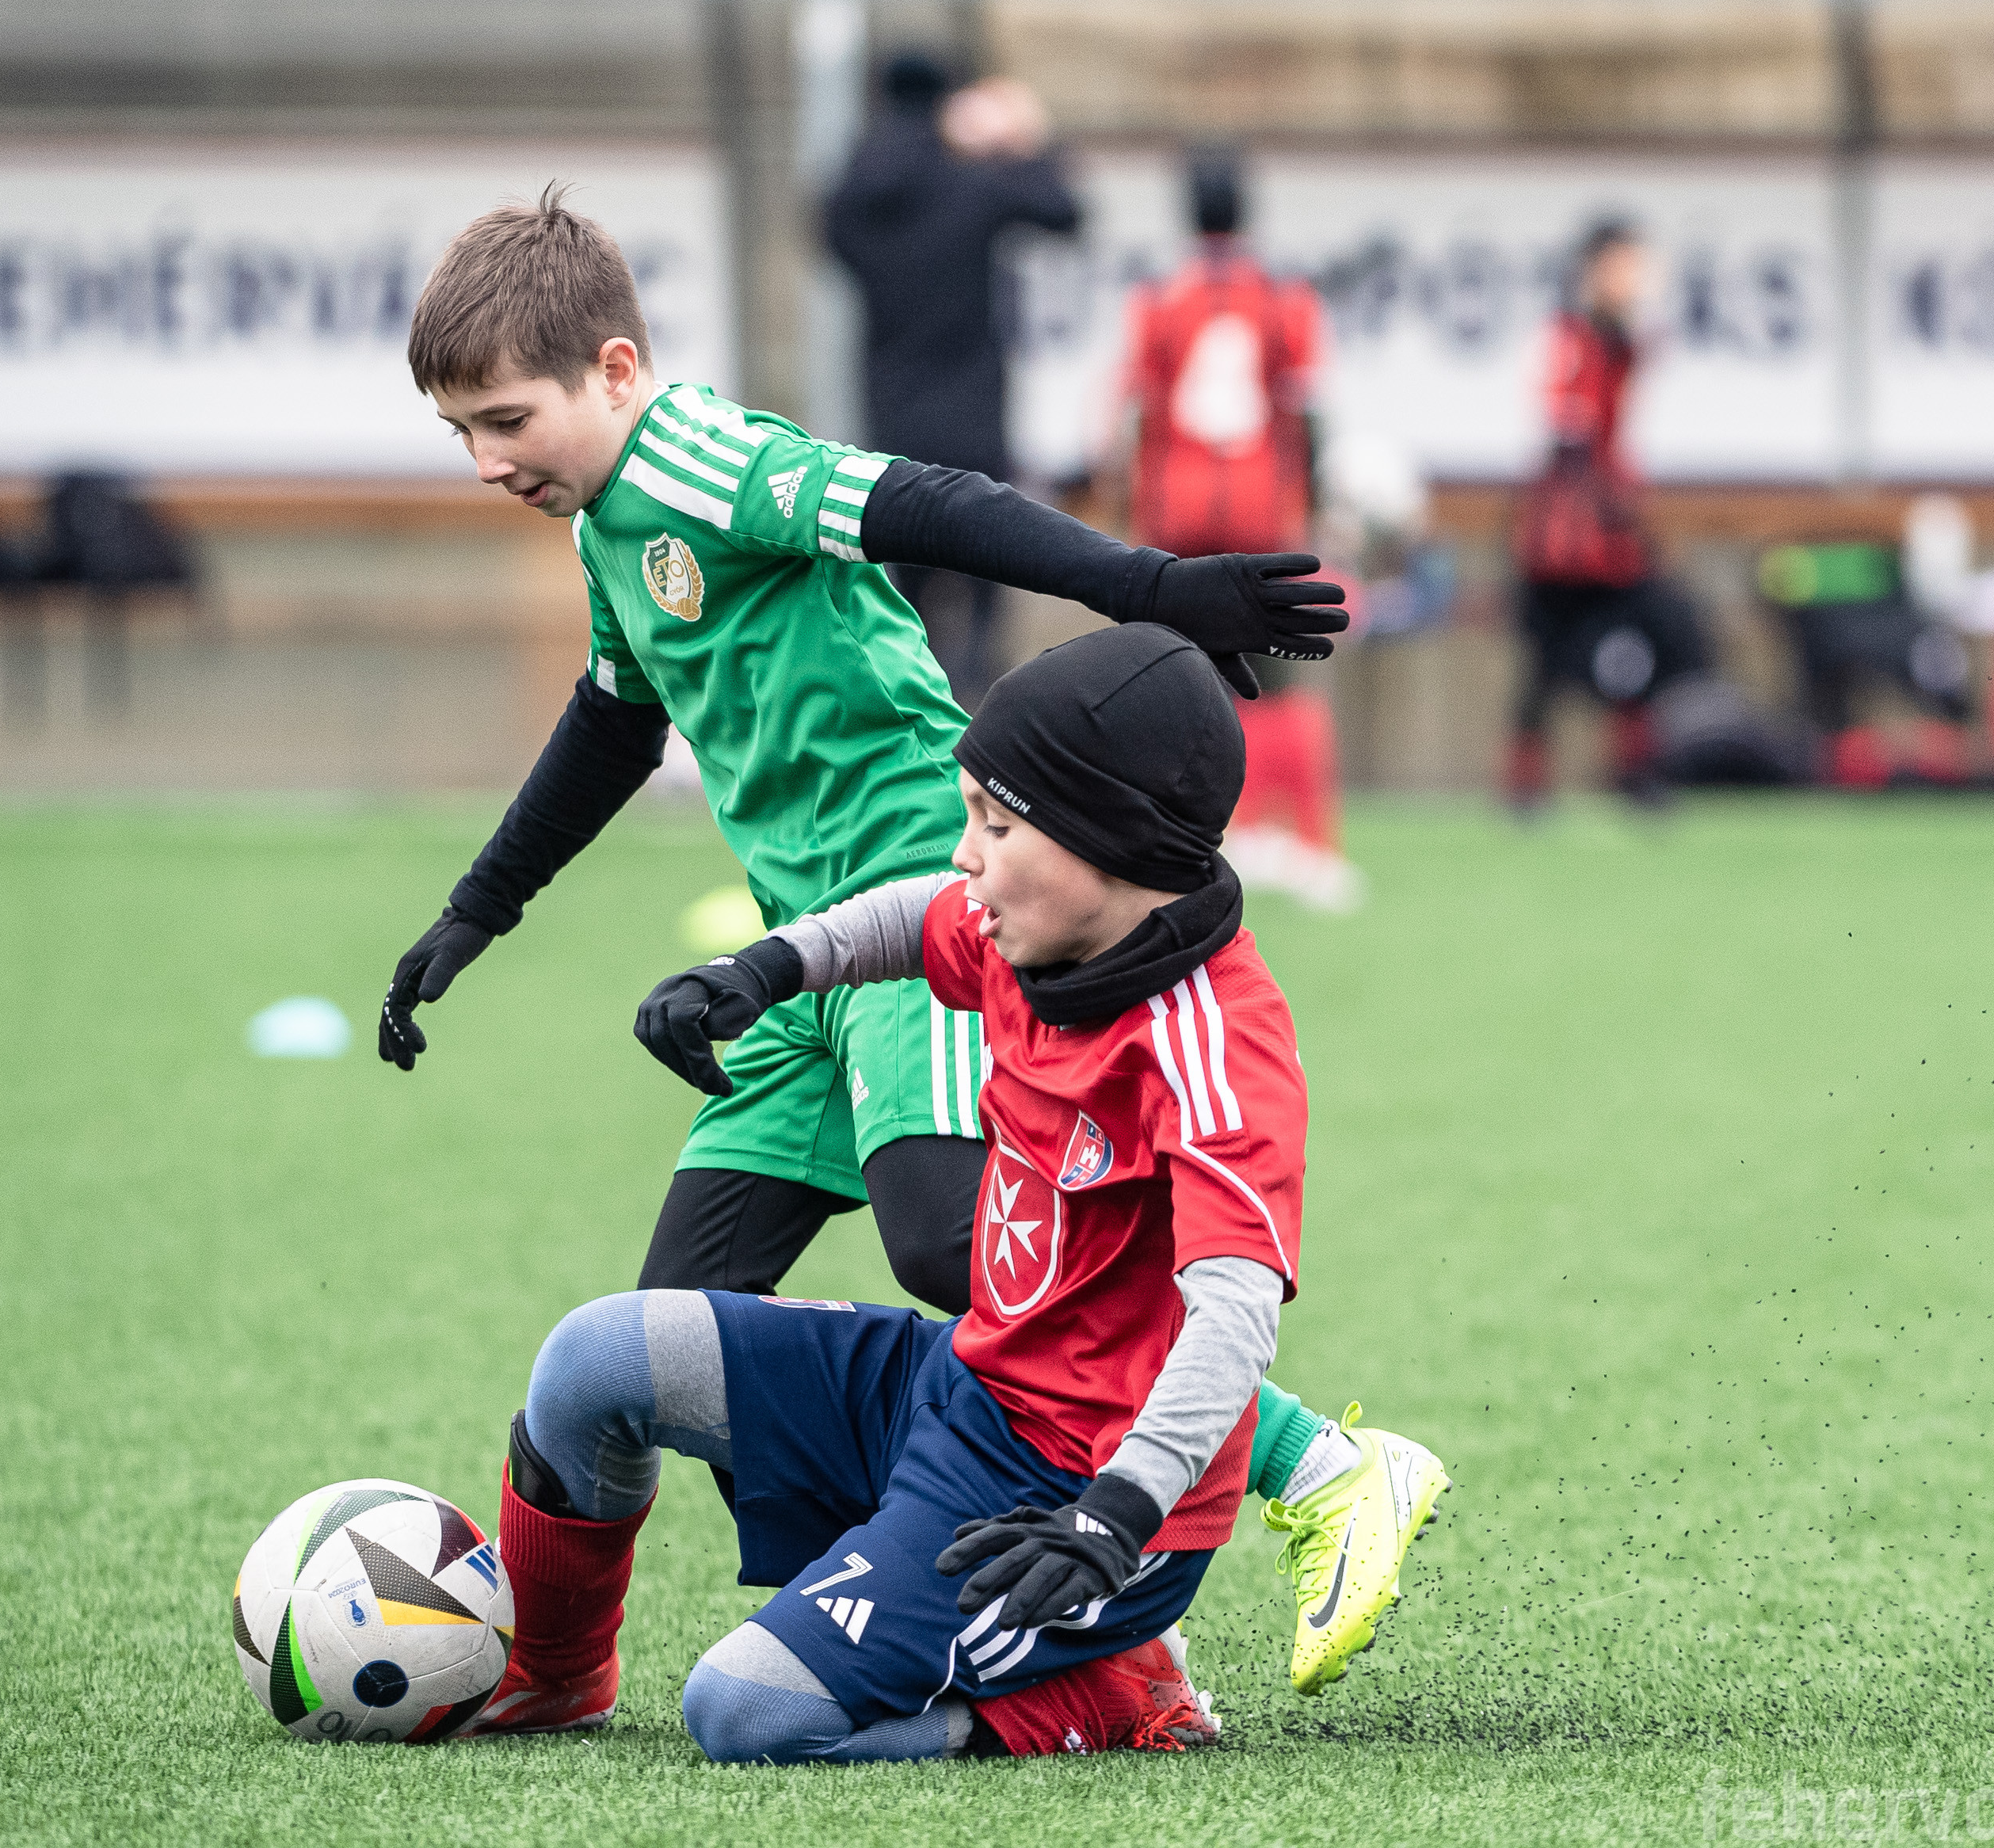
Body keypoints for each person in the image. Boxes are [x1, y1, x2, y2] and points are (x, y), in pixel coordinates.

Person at [380, 185, 1368, 1707]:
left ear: (618, 370)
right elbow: (613, 721)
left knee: (950, 1244)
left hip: (928, 890)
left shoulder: (698, 455)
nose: (488, 459)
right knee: (669, 1325)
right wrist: (477, 909)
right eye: (461, 432)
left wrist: (1147, 585)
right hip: (797, 958)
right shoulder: (608, 523)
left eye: (507, 418)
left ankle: (1304, 1464)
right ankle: (563, 1671)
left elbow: (929, 501)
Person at [472, 627, 1451, 1754]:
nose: (965, 852)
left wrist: (1116, 1516)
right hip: (958, 1384)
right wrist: (765, 967)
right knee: (593, 1357)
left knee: (743, 1711)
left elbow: (1234, 1314)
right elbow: (910, 914)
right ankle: (554, 1677)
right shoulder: (1038, 928)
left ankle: (1111, 1690)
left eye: (996, 823)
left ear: (1110, 840)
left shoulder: (1212, 1048)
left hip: (1071, 1493)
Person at [1110, 144, 1357, 911]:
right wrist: (1312, 498)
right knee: (1274, 669)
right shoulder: (1282, 298)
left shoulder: (1160, 298)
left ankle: (1185, 838)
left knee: (1174, 668)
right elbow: (1307, 409)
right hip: (1259, 508)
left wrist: (1129, 508)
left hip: (1177, 509)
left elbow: (1134, 413)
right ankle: (1303, 839)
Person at [825, 56, 1081, 703]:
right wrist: (1020, 139)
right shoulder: (972, 183)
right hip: (974, 411)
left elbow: (829, 231)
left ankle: (917, 709)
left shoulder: (859, 193)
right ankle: (983, 702)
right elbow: (1064, 211)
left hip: (894, 415)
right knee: (986, 570)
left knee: (905, 583)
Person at [1504, 219, 1714, 810]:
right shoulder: (1565, 341)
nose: (1633, 281)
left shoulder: (1622, 342)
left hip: (1611, 536)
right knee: (1544, 662)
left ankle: (1635, 770)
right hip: (1564, 538)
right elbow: (1563, 433)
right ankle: (1526, 781)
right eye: (1622, 268)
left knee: (1639, 645)